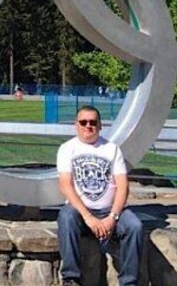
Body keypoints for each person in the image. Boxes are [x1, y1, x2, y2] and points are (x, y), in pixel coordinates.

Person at [56, 105, 143, 286]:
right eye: (83, 122)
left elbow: (122, 186)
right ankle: (70, 279)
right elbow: (65, 185)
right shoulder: (66, 149)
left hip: (109, 211)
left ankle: (129, 282)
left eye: (93, 122)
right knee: (66, 216)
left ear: (100, 125)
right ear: (76, 125)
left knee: (135, 226)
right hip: (80, 212)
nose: (88, 126)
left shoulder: (112, 149)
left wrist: (113, 217)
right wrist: (88, 217)